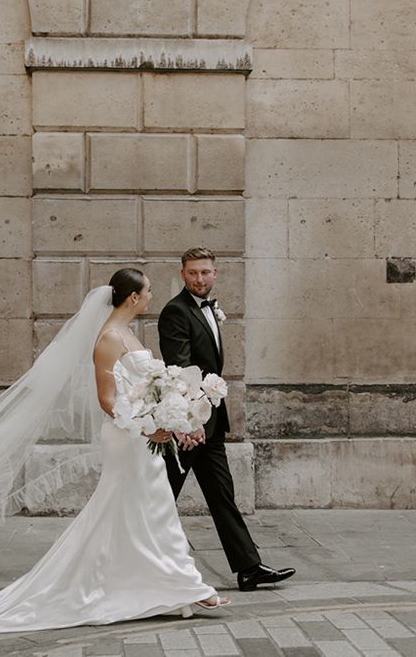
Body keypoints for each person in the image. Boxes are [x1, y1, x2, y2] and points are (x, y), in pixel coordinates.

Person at [0, 269, 228, 642]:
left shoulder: (128, 334)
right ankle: (182, 585)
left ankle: (168, 586)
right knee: (143, 504)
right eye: (147, 291)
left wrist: (173, 414)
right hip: (126, 435)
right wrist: (149, 426)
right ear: (133, 297)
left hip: (141, 433)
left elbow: (144, 388)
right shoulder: (108, 339)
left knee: (138, 506)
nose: (151, 297)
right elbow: (107, 399)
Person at [158, 247, 296, 592]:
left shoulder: (210, 310)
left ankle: (249, 568)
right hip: (189, 425)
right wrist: (191, 423)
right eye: (192, 273)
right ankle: (131, 562)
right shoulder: (175, 312)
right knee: (159, 497)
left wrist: (208, 421)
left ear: (215, 273)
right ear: (182, 274)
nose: (199, 279)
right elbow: (181, 372)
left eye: (205, 272)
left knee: (222, 496)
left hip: (211, 424)